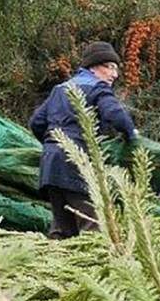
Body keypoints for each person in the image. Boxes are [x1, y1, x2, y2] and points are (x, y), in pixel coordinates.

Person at [29, 41, 139, 239]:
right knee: (94, 226)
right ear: (93, 67)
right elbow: (115, 114)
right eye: (110, 67)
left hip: (51, 165)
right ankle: (97, 267)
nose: (114, 74)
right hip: (76, 163)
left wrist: (53, 145)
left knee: (62, 231)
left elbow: (36, 122)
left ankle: (54, 267)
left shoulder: (61, 88)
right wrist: (132, 135)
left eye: (116, 68)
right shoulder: (97, 88)